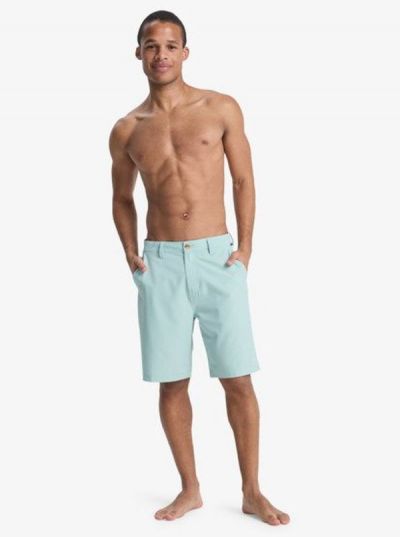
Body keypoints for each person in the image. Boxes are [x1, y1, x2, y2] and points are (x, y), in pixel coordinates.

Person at [109, 10, 290, 526]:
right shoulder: (127, 129)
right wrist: (130, 253)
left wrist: (245, 249)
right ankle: (189, 489)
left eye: (170, 45)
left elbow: (244, 180)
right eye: (151, 45)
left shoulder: (219, 108)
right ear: (138, 54)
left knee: (238, 378)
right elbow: (121, 198)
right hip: (161, 263)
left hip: (217, 258)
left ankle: (252, 491)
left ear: (185, 53)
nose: (161, 54)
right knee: (172, 383)